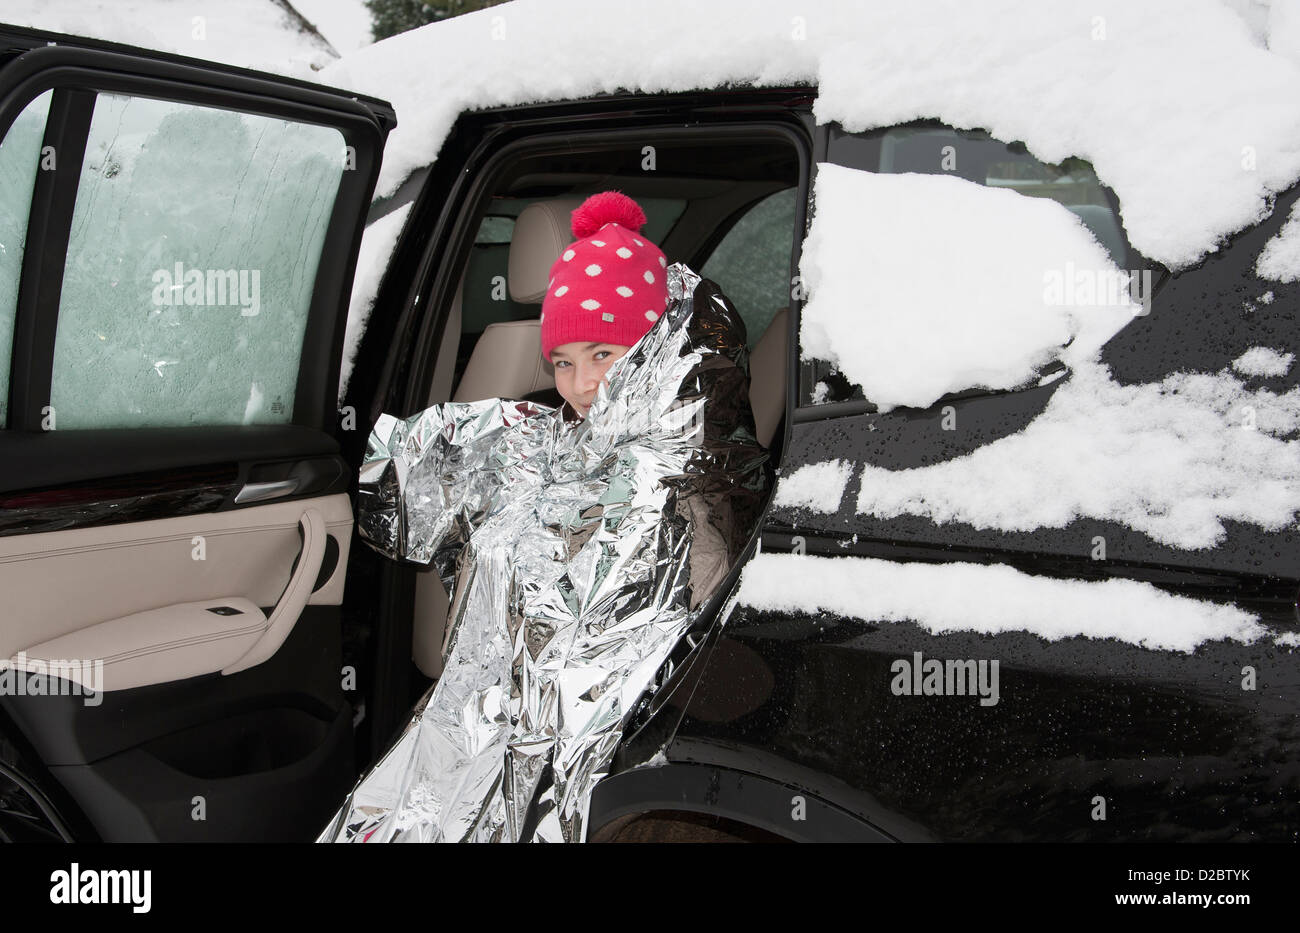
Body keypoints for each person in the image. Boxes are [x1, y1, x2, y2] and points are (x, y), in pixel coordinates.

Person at [319, 190, 772, 843]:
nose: (578, 385)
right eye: (562, 361)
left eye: (604, 356)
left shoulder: (679, 501)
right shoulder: (545, 447)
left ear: (654, 356)